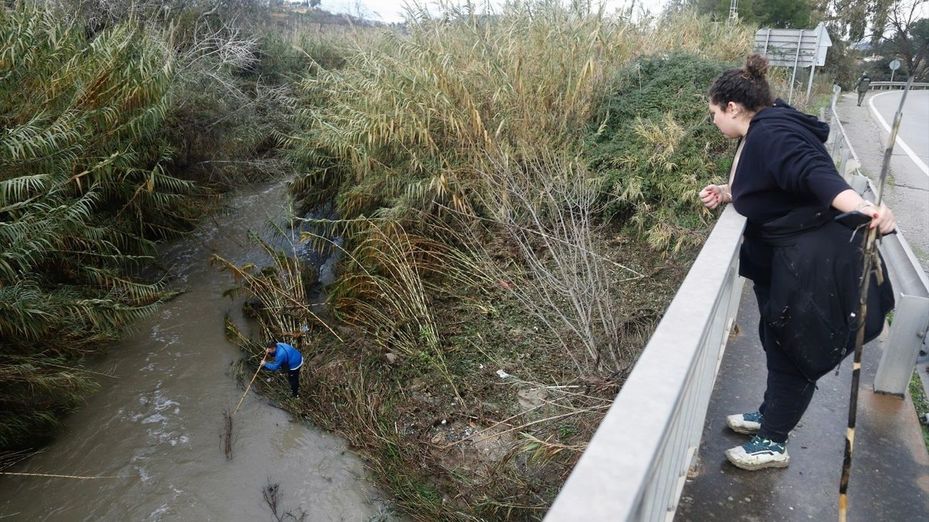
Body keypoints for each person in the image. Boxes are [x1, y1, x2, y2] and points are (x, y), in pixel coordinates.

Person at [699, 54, 896, 471]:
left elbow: (813, 173)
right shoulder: (766, 124)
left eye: (714, 112)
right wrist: (731, 192)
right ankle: (770, 415)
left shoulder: (773, 134)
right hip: (786, 257)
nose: (713, 120)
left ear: (732, 107)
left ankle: (774, 441)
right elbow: (777, 181)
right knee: (774, 339)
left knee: (793, 348)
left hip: (807, 263)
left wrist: (863, 207)